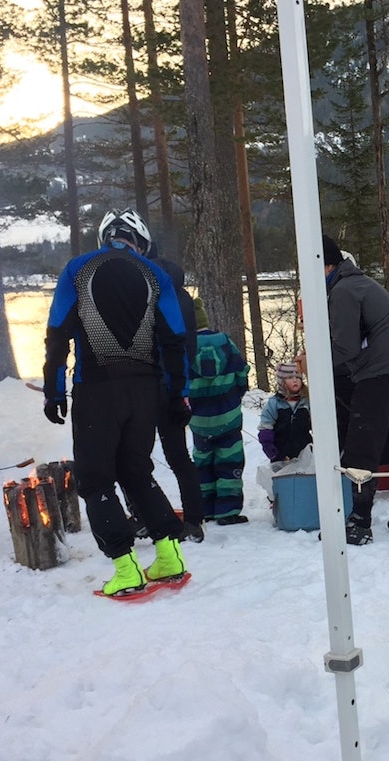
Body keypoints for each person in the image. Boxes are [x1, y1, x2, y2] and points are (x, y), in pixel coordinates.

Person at [43, 207, 190, 596]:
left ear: (104, 237)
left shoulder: (77, 269)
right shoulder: (155, 274)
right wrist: (179, 394)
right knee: (137, 472)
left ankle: (126, 569)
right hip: (145, 390)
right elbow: (175, 338)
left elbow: (57, 334)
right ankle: (169, 557)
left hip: (97, 390)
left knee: (96, 479)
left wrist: (53, 390)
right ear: (141, 242)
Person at [321, 234, 389, 545]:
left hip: (380, 375)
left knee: (360, 449)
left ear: (326, 265)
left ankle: (359, 523)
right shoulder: (361, 283)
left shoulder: (343, 290)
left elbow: (346, 347)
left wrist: (314, 361)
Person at [133, 243, 206, 544]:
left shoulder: (146, 293)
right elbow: (188, 345)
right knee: (178, 456)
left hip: (148, 385)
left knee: (135, 457)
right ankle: (193, 520)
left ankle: (147, 515)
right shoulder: (182, 295)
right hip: (175, 386)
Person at [187, 297, 251, 525]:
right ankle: (227, 511)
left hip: (199, 421)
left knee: (203, 463)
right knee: (229, 462)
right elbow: (242, 371)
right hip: (228, 417)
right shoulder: (224, 342)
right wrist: (236, 394)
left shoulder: (185, 347)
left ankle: (206, 508)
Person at [258, 362, 313, 466]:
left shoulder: (306, 402)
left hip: (305, 452)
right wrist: (267, 444)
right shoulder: (275, 403)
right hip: (281, 454)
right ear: (281, 381)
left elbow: (315, 424)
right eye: (290, 377)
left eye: (298, 377)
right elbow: (266, 425)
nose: (295, 380)